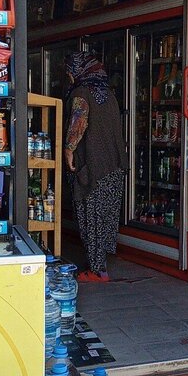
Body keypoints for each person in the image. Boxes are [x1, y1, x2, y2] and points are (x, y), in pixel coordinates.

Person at [64, 51, 127, 282]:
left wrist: (68, 150)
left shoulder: (81, 93)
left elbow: (78, 123)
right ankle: (101, 265)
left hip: (93, 165)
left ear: (79, 70)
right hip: (114, 165)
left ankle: (97, 270)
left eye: (70, 70)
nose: (69, 75)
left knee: (91, 218)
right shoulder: (108, 94)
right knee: (106, 216)